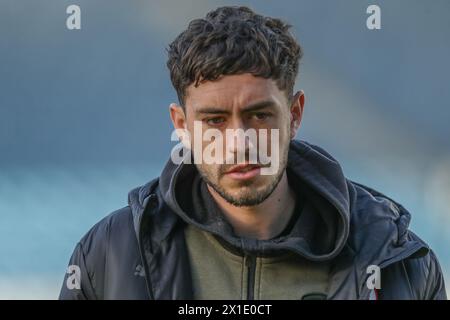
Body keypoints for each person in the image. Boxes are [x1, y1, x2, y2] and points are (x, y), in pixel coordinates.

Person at [59, 6, 446, 300]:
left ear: (294, 115)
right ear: (181, 125)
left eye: (258, 115)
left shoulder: (398, 263)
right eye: (214, 120)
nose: (239, 141)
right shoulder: (111, 256)